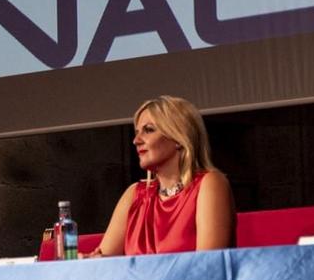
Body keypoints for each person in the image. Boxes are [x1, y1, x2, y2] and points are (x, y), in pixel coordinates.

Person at [95, 95, 235, 256]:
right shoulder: (134, 194)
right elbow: (102, 261)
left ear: (178, 137)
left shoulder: (210, 183)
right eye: (137, 132)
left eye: (148, 130)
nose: (136, 140)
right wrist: (84, 260)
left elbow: (207, 265)